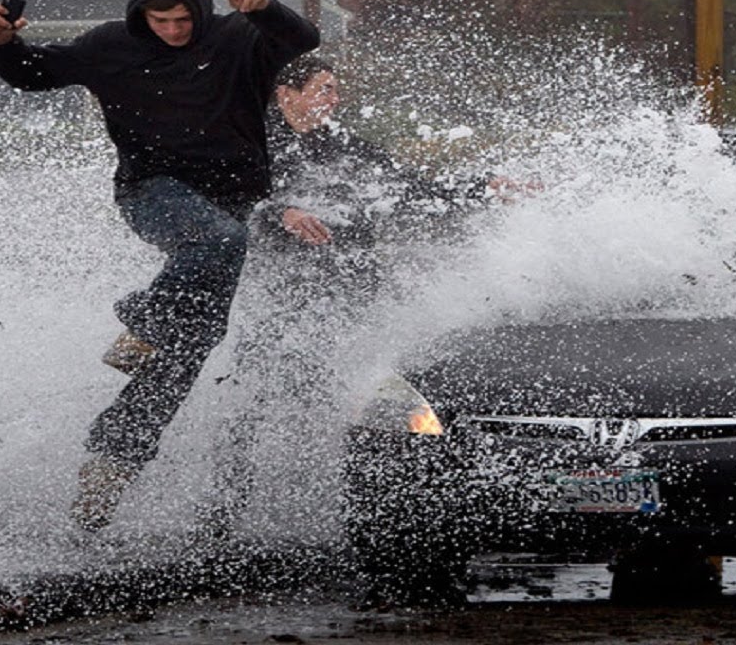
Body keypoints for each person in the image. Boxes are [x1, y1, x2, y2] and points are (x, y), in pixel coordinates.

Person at [0, 0, 320, 531]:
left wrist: (266, 7)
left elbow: (303, 38)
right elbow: (30, 74)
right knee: (218, 242)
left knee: (187, 350)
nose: (174, 30)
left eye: (183, 19)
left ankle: (108, 467)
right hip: (152, 191)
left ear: (199, 11)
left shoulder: (237, 39)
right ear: (142, 16)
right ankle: (141, 322)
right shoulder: (112, 45)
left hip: (231, 202)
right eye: (161, 21)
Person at [201, 53, 525, 538]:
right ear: (286, 94)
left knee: (353, 399)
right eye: (323, 89)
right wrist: (281, 213)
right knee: (253, 398)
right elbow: (226, 197)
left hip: (349, 292)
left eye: (335, 90)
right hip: (279, 296)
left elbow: (413, 188)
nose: (335, 100)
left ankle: (344, 513)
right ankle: (220, 518)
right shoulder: (254, 141)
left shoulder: (343, 146)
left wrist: (483, 186)